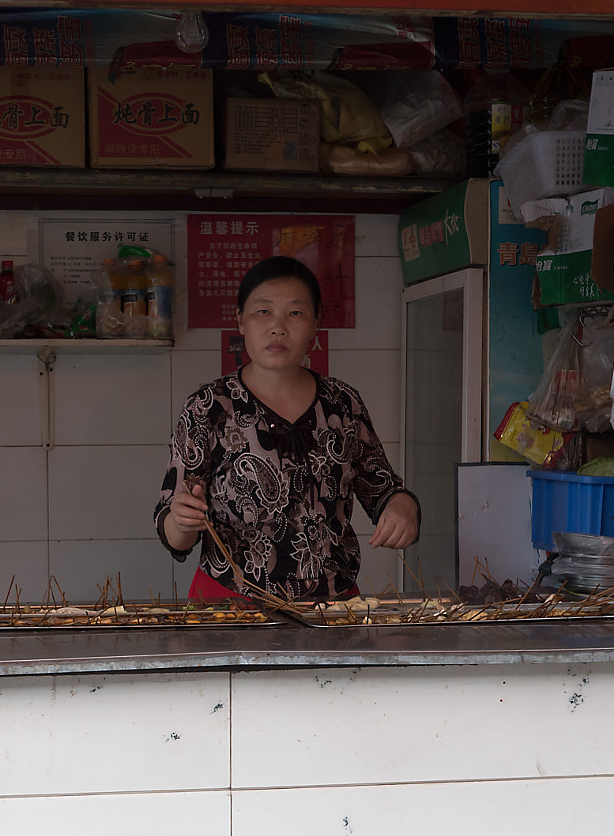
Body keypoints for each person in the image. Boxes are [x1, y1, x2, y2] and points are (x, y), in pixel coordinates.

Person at [154, 255, 419, 603]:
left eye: (295, 313)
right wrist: (182, 522)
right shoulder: (208, 407)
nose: (278, 326)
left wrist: (403, 506)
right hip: (230, 605)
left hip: (333, 605)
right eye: (263, 311)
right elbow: (173, 529)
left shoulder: (341, 402)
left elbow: (381, 489)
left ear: (315, 323)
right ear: (241, 321)